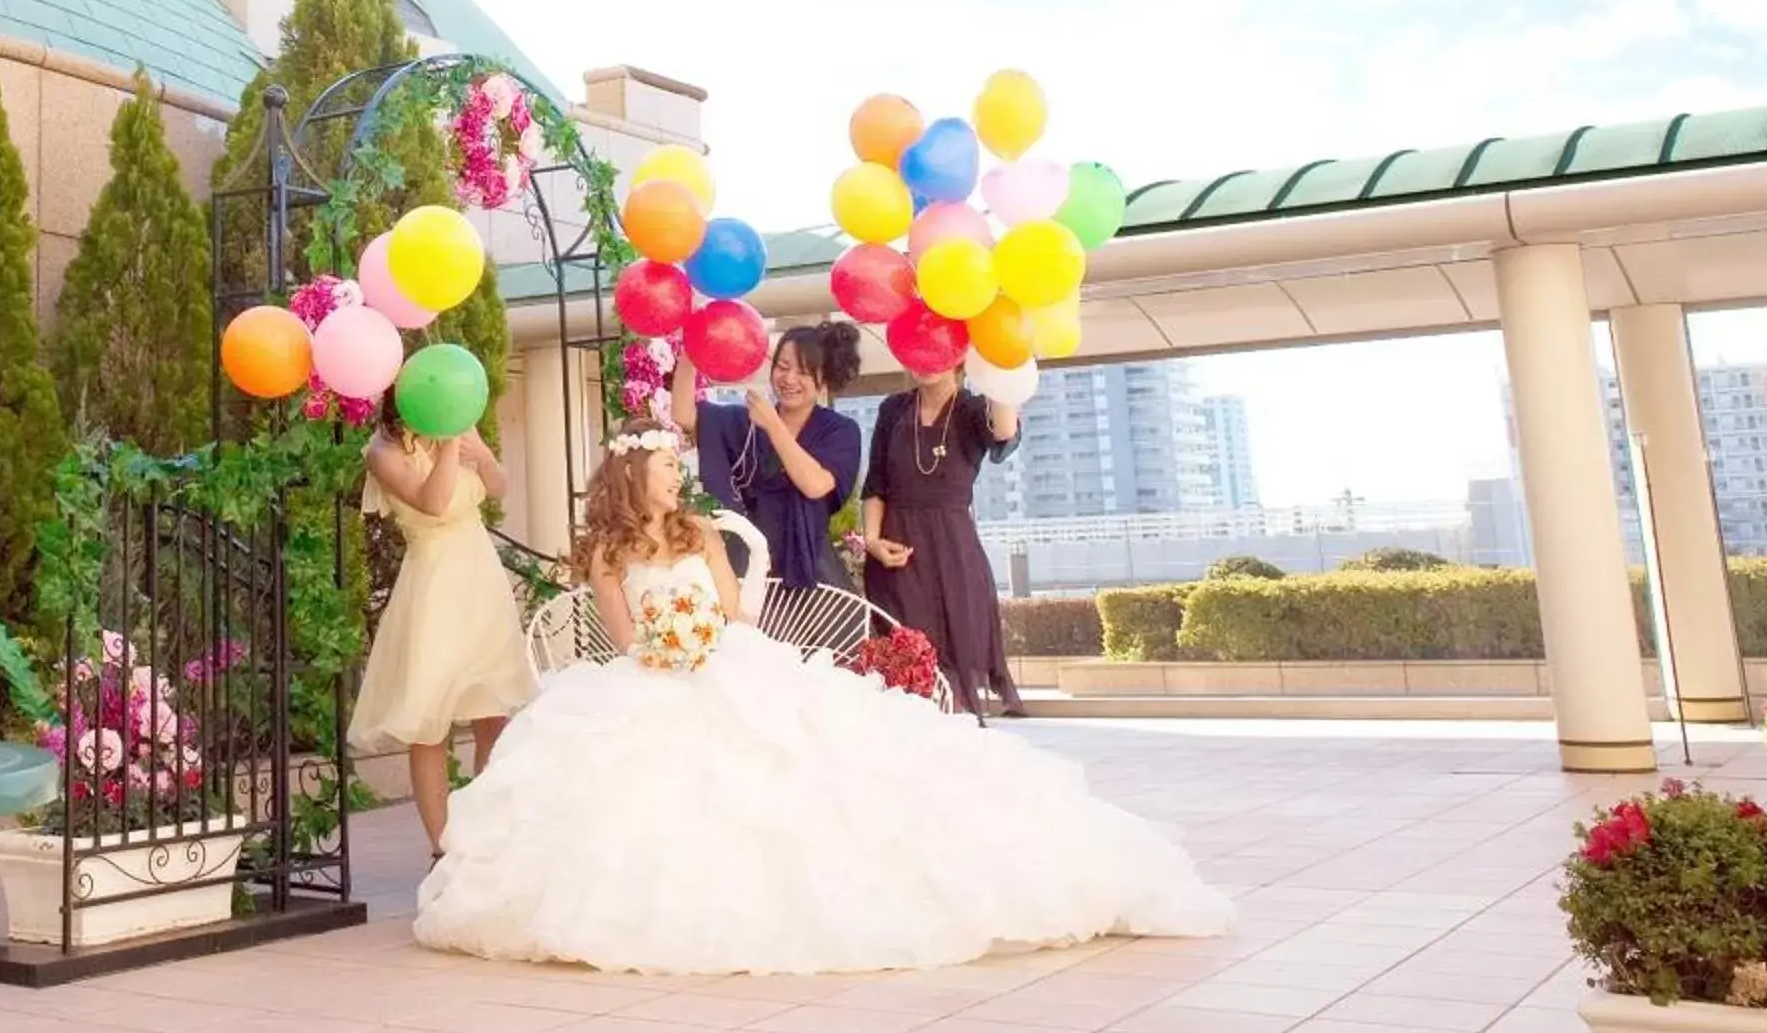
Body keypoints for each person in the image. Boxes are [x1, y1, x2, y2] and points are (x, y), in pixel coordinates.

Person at [414, 421, 1231, 975]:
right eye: (667, 466)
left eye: (676, 466)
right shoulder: (605, 550)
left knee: (800, 758)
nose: (677, 475)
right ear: (636, 474)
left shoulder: (701, 534)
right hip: (649, 674)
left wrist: (700, 631)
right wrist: (663, 644)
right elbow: (621, 633)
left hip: (723, 658)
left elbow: (736, 610)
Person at [351, 408, 536, 859]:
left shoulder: (458, 426)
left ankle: (486, 829)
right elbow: (433, 502)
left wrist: (484, 456)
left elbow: (497, 487)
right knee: (429, 722)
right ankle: (442, 847)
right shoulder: (384, 450)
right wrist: (450, 446)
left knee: (493, 713)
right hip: (434, 584)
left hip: (480, 579)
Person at [862, 359, 1025, 716]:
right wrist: (871, 540)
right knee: (903, 661)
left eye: (936, 350)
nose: (926, 360)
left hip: (954, 551)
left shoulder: (973, 409)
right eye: (919, 350)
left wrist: (1000, 360)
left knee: (955, 658)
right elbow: (875, 483)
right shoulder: (894, 409)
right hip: (897, 552)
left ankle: (955, 752)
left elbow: (1004, 432)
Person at [669, 322, 864, 594]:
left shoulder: (841, 430)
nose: (789, 379)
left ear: (825, 379)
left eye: (804, 372)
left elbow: (815, 485)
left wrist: (773, 426)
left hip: (811, 568)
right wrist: (690, 354)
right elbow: (683, 415)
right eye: (783, 367)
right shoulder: (745, 421)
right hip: (746, 565)